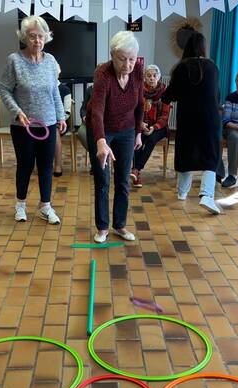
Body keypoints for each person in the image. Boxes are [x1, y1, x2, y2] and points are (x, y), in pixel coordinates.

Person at [0, 15, 66, 223]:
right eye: (32, 36)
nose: (37, 40)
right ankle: (20, 205)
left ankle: (45, 206)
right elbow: (4, 89)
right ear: (24, 37)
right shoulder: (14, 60)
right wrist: (17, 111)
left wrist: (60, 116)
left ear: (46, 37)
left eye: (40, 36)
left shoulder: (51, 61)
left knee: (46, 166)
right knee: (25, 166)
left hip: (48, 123)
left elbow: (54, 92)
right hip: (23, 125)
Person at [86, 31, 143, 243]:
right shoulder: (103, 73)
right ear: (112, 55)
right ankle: (102, 228)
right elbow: (97, 111)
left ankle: (119, 225)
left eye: (132, 59)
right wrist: (101, 141)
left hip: (127, 130)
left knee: (123, 180)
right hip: (101, 129)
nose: (128, 64)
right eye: (122, 59)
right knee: (102, 180)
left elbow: (140, 103)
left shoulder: (138, 70)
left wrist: (138, 133)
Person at [161, 32, 222, 214]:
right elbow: (216, 95)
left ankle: (182, 193)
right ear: (203, 47)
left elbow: (169, 96)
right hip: (210, 118)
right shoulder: (212, 66)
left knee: (185, 153)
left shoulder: (181, 68)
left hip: (187, 118)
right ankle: (206, 195)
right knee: (210, 155)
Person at [130, 64, 170, 188]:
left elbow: (165, 116)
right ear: (144, 77)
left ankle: (136, 169)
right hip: (142, 124)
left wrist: (154, 127)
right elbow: (134, 111)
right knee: (137, 139)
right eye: (149, 76)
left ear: (159, 77)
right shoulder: (139, 91)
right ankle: (136, 172)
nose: (152, 78)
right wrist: (140, 124)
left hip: (159, 127)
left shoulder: (164, 92)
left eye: (154, 75)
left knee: (151, 139)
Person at [54, 64, 71, 177]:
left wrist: (58, 121)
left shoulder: (65, 89)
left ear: (58, 72)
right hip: (44, 121)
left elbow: (67, 113)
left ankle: (58, 165)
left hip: (61, 123)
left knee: (54, 131)